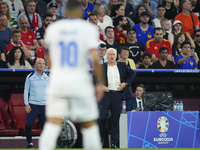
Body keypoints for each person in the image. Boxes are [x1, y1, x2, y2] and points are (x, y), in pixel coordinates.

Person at [39, 1, 104, 150]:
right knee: (89, 125)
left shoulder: (53, 28)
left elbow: (47, 54)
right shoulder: (87, 28)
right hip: (79, 80)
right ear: (80, 12)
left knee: (53, 123)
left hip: (58, 81)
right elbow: (94, 58)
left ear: (65, 11)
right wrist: (100, 82)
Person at [99, 48, 136, 148]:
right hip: (105, 95)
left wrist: (126, 83)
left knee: (115, 120)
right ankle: (101, 141)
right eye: (109, 54)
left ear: (116, 56)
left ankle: (113, 143)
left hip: (117, 95)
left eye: (113, 54)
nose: (111, 56)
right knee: (102, 118)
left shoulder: (122, 65)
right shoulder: (101, 67)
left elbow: (133, 73)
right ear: (106, 56)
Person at [24, 58, 49, 148]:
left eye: (43, 63)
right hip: (33, 105)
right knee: (28, 125)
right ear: (35, 65)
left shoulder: (48, 77)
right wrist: (26, 103)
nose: (41, 65)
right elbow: (26, 90)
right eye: (39, 63)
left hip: (45, 105)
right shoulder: (30, 76)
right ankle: (30, 143)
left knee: (47, 126)